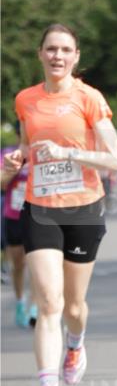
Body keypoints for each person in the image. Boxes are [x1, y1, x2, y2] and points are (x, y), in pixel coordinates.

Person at [14, 24, 117, 386]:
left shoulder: (89, 98)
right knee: (49, 304)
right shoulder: (26, 99)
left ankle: (76, 344)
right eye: (51, 49)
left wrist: (69, 153)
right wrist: (17, 160)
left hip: (83, 210)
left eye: (65, 50)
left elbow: (114, 160)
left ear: (76, 57)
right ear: (40, 54)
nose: (57, 56)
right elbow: (28, 147)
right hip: (40, 208)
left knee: (74, 308)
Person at [1, 138, 33, 326]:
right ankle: (20, 302)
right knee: (19, 263)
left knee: (38, 263)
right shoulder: (10, 153)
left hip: (39, 214)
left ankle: (36, 308)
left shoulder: (46, 150)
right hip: (14, 214)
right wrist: (15, 169)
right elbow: (1, 183)